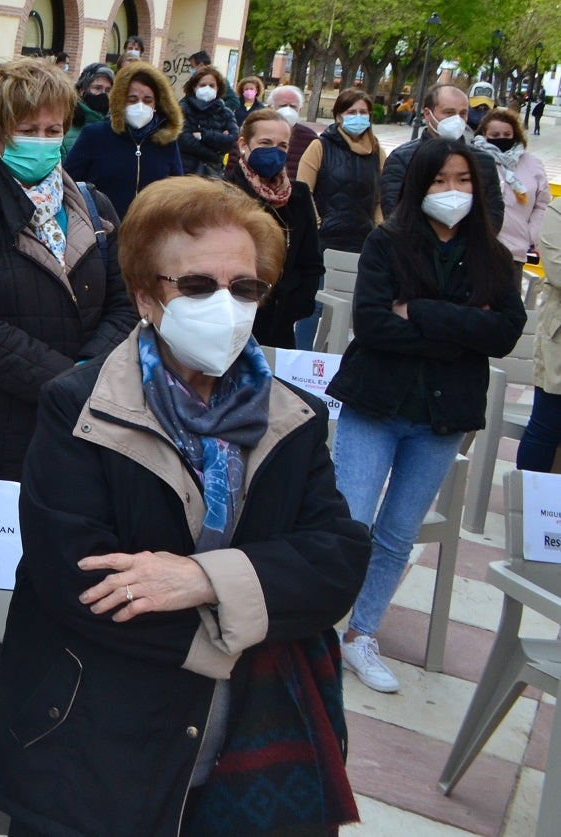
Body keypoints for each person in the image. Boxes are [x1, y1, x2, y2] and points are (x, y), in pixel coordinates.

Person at [0, 176, 370, 837]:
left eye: (244, 288)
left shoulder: (292, 418)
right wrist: (251, 610)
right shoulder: (79, 406)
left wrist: (203, 579)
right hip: (93, 749)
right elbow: (81, 580)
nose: (226, 305)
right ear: (146, 297)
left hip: (250, 747)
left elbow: (337, 561)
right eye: (197, 285)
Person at [0, 58, 135, 679]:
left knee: (39, 580)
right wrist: (67, 380)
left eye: (53, 128)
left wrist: (88, 372)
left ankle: (17, 709)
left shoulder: (92, 205)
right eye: (28, 129)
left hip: (68, 431)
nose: (44, 141)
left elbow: (125, 303)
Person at [327, 139, 524, 694]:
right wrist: (461, 331)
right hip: (377, 405)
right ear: (419, 185)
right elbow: (372, 324)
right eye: (439, 180)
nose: (452, 191)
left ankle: (362, 633)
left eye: (462, 180)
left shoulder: (492, 257)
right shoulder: (387, 242)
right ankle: (319, 627)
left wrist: (420, 311)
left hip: (443, 416)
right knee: (350, 523)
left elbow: (504, 333)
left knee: (398, 533)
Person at [224, 109, 323, 348]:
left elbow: (311, 262)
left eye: (282, 146)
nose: (274, 151)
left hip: (279, 326)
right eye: (265, 143)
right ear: (244, 144)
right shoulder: (223, 193)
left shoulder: (298, 197)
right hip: (229, 322)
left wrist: (292, 307)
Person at [64, 60, 185, 217]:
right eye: (132, 99)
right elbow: (68, 184)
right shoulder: (95, 136)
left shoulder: (166, 142)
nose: (140, 106)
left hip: (150, 228)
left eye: (148, 100)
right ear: (120, 101)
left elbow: (177, 193)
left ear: (157, 103)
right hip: (103, 228)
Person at [382, 84, 505, 225]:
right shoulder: (401, 158)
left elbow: (493, 214)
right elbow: (394, 213)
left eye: (463, 113)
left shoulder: (484, 161)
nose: (457, 120)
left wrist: (465, 237)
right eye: (449, 113)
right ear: (427, 114)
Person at [297, 89, 383, 259]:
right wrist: (317, 226)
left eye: (363, 112)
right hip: (325, 242)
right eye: (351, 112)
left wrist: (378, 230)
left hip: (364, 243)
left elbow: (381, 197)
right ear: (338, 116)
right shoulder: (319, 147)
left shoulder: (377, 152)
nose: (358, 117)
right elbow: (304, 191)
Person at [521, 199, 561, 472]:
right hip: (558, 344)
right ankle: (527, 496)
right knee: (547, 425)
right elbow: (558, 270)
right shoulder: (558, 211)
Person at [476, 107, 546, 263]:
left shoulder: (533, 164)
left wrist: (531, 235)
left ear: (515, 134)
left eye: (507, 134)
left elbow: (542, 204)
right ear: (484, 134)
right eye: (495, 135)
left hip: (515, 251)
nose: (501, 139)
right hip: (477, 249)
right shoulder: (474, 159)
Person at [178, 64, 238, 177]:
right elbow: (185, 141)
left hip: (214, 173)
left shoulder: (225, 112)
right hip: (186, 171)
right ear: (194, 87)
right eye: (203, 85)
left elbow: (232, 140)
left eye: (212, 85)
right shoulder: (183, 109)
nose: (207, 89)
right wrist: (214, 155)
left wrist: (203, 136)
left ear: (218, 88)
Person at [64, 62, 114, 152]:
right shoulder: (66, 125)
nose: (103, 94)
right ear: (82, 90)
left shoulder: (116, 127)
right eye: (97, 88)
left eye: (108, 90)